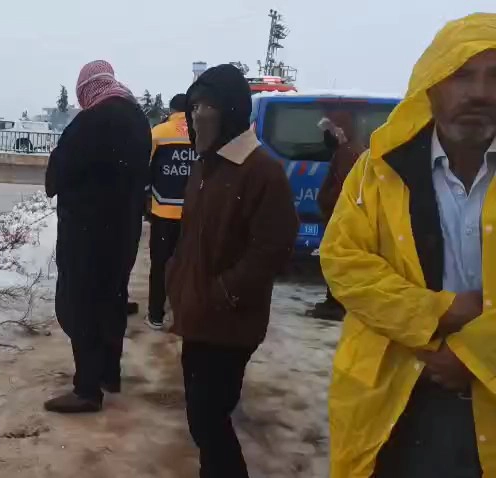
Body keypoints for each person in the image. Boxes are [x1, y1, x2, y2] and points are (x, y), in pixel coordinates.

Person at [320, 14, 496, 478]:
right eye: (462, 75)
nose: (481, 93)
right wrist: (439, 312)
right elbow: (344, 263)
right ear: (431, 86)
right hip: (393, 389)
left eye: (495, 77)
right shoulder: (377, 170)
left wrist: (475, 355)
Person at [166, 64, 298, 477]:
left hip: (230, 322)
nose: (197, 116)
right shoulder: (206, 164)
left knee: (209, 416)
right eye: (193, 107)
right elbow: (191, 235)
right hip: (198, 315)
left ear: (231, 110)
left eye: (207, 106)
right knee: (200, 415)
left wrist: (223, 292)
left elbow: (273, 247)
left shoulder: (260, 171)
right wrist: (176, 277)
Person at [44, 60, 150, 413]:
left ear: (86, 88)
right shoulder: (138, 120)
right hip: (123, 233)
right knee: (111, 301)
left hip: (87, 234)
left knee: (80, 307)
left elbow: (56, 176)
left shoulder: (91, 121)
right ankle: (108, 373)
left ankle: (87, 390)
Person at [308, 113, 366, 321]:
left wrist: (327, 201)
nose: (326, 137)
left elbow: (343, 188)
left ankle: (336, 304)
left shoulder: (347, 153)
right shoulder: (349, 150)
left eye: (329, 132)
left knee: (337, 260)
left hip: (341, 217)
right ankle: (334, 301)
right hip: (340, 216)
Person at [145, 93, 194, 330]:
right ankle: (184, 316)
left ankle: (156, 315)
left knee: (160, 266)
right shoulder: (202, 133)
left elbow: (145, 168)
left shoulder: (159, 132)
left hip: (163, 212)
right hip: (194, 215)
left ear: (172, 110)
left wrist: (146, 198)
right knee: (189, 266)